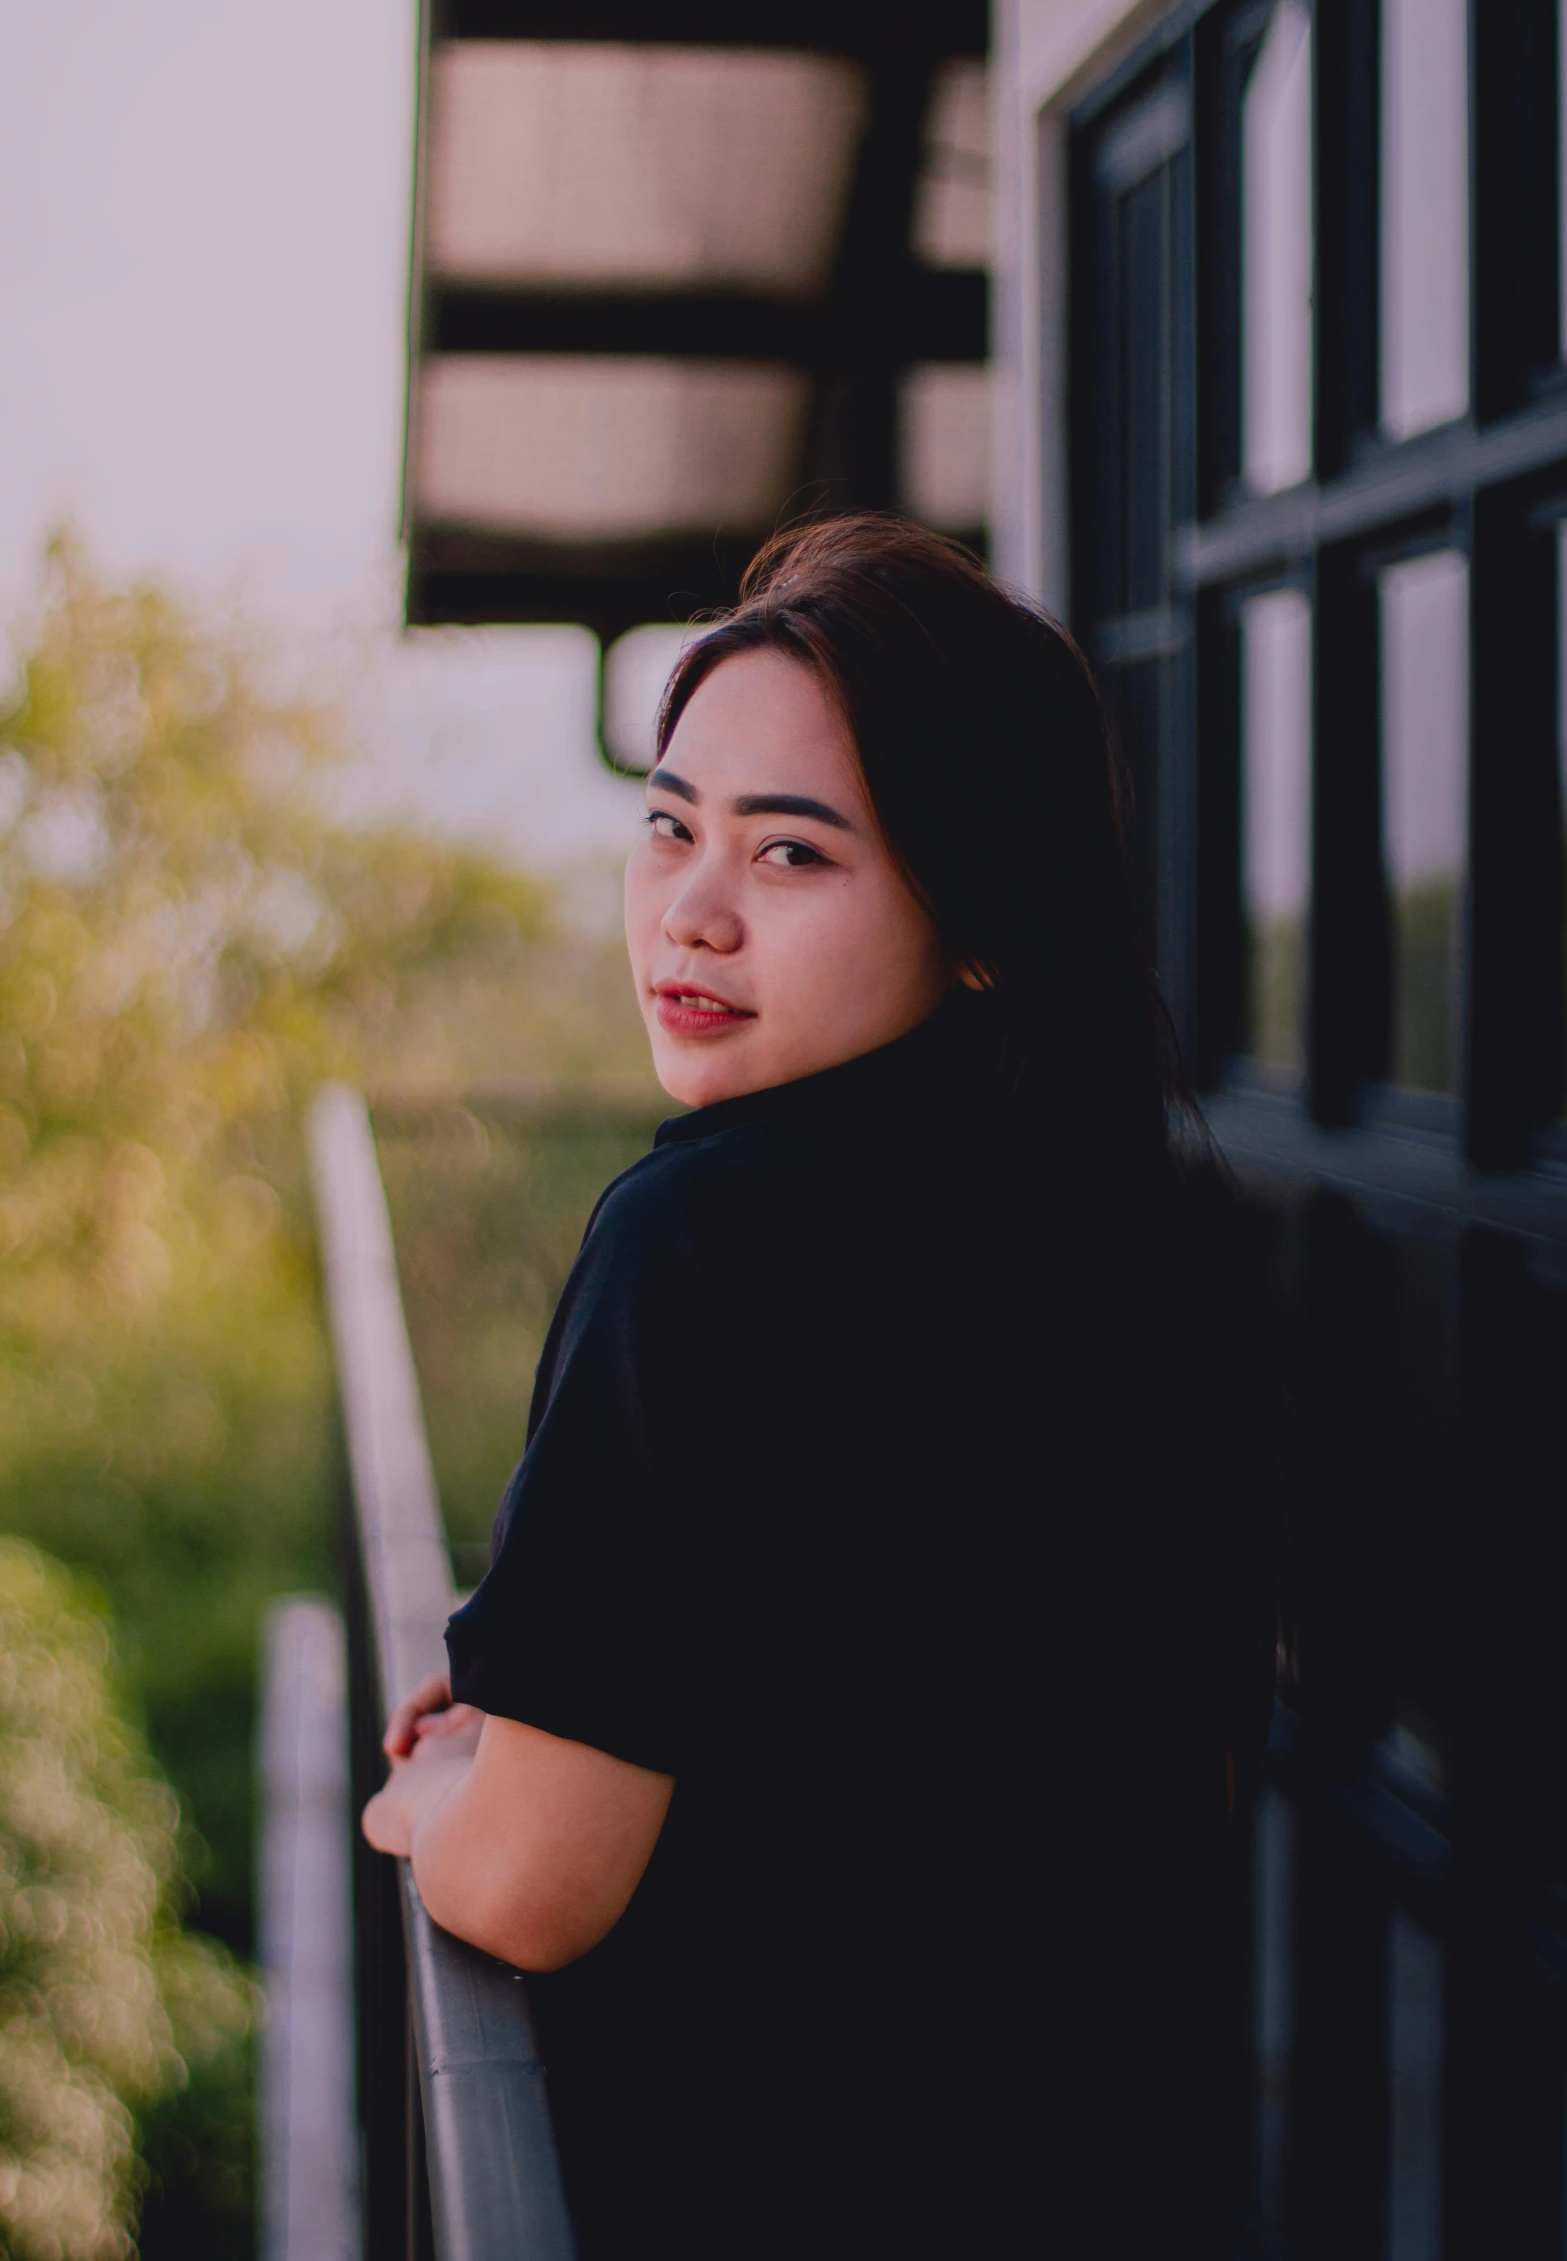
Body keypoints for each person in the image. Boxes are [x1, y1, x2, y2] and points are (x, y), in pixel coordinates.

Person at [362, 515, 1278, 2258]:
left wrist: (444, 1799)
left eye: (790, 855)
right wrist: (546, 1699)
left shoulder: (703, 1238)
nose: (688, 910)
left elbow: (536, 1889)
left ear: (982, 914)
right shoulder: (1126, 1217)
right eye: (667, 824)